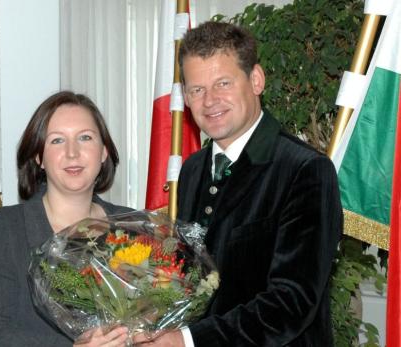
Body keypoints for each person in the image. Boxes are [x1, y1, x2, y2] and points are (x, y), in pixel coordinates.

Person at [135, 22, 342, 346]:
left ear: (256, 80)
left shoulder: (305, 170)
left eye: (223, 83)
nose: (209, 101)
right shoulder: (191, 170)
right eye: (197, 90)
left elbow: (291, 303)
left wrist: (188, 341)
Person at [0, 91, 130, 346]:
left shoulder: (133, 228)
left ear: (103, 152)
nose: (72, 153)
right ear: (38, 157)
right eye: (57, 141)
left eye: (85, 138)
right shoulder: (3, 229)